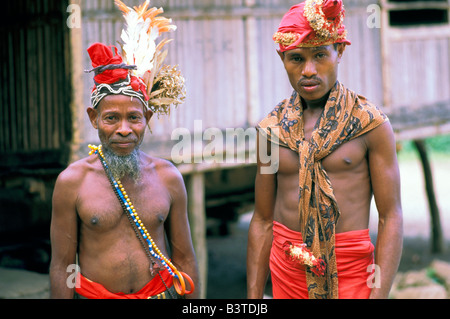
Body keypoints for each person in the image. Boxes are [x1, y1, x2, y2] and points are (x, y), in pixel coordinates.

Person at [247, 0, 403, 299]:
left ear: (339, 52)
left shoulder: (369, 124)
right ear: (283, 60)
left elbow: (390, 216)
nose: (308, 70)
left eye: (320, 55)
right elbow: (262, 219)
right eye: (296, 59)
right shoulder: (270, 130)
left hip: (353, 272)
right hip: (287, 271)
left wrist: (378, 294)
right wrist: (253, 297)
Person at [50, 0, 199, 299]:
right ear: (94, 119)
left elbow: (184, 260)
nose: (123, 129)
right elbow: (62, 266)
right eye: (110, 118)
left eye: (133, 117)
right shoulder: (72, 182)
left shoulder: (168, 177)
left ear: (147, 119)